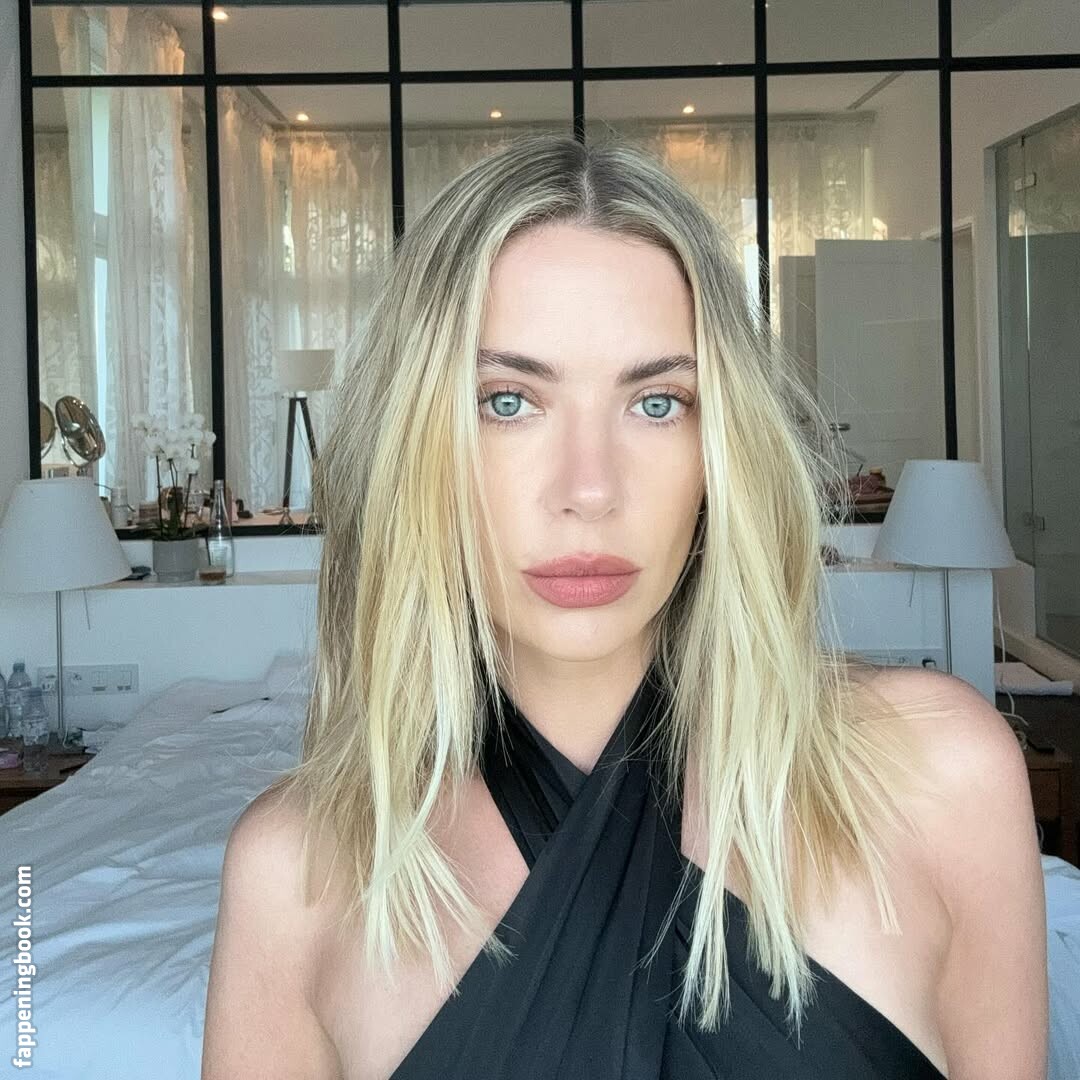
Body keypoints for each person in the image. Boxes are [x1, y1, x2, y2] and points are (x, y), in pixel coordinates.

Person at [201, 131, 1048, 1080]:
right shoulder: (297, 873)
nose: (590, 490)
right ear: (414, 443)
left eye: (656, 403)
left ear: (722, 446)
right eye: (507, 401)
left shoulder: (938, 774)